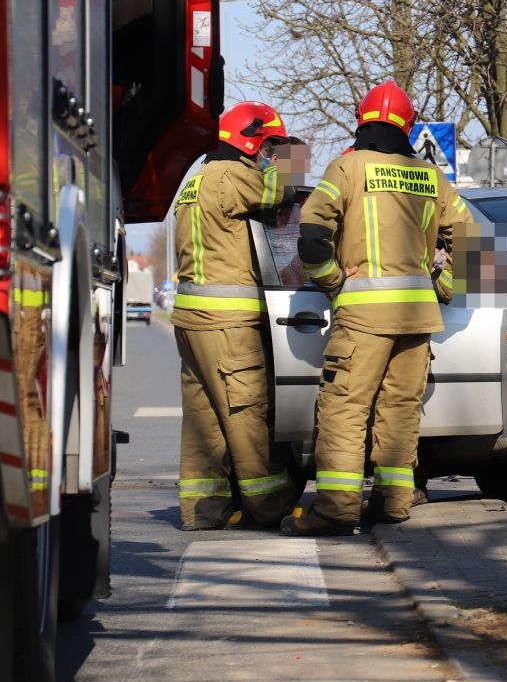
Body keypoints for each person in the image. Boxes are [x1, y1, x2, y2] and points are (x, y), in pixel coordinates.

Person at [282, 81, 472, 536]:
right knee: (402, 410)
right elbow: (473, 239)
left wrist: (331, 282)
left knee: (345, 409)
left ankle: (335, 510)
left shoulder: (346, 168)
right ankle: (393, 505)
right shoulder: (431, 176)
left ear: (362, 121)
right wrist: (444, 286)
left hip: (364, 317)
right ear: (407, 126)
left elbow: (310, 234)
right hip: (417, 315)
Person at [172, 100, 300, 529]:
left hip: (192, 320)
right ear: (250, 140)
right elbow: (283, 192)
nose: (269, 157)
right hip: (227, 323)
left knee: (203, 419)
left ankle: (203, 510)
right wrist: (292, 156)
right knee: (247, 411)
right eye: (267, 147)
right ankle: (270, 505)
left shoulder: (198, 179)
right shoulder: (233, 177)